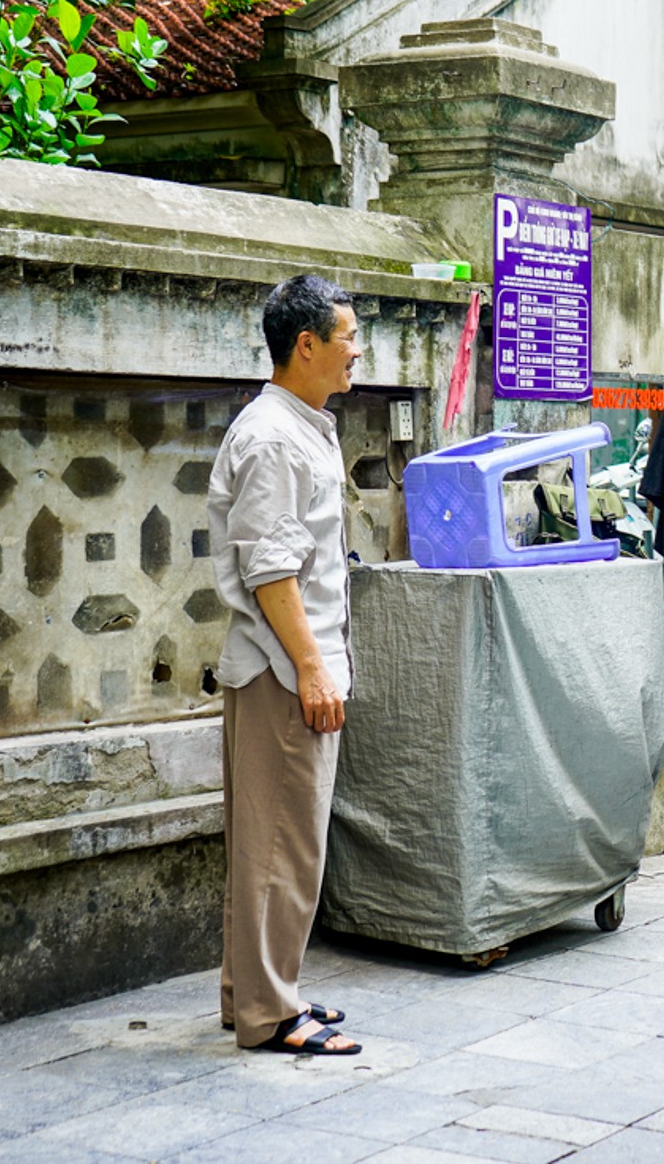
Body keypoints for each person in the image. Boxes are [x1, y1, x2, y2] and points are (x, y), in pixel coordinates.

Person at [208, 274, 363, 1055]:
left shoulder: (299, 423)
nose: (357, 350)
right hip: (280, 667)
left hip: (286, 660)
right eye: (347, 336)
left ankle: (256, 994)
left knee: (268, 841)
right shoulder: (271, 435)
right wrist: (310, 666)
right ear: (305, 344)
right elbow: (271, 569)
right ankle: (270, 1012)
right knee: (284, 845)